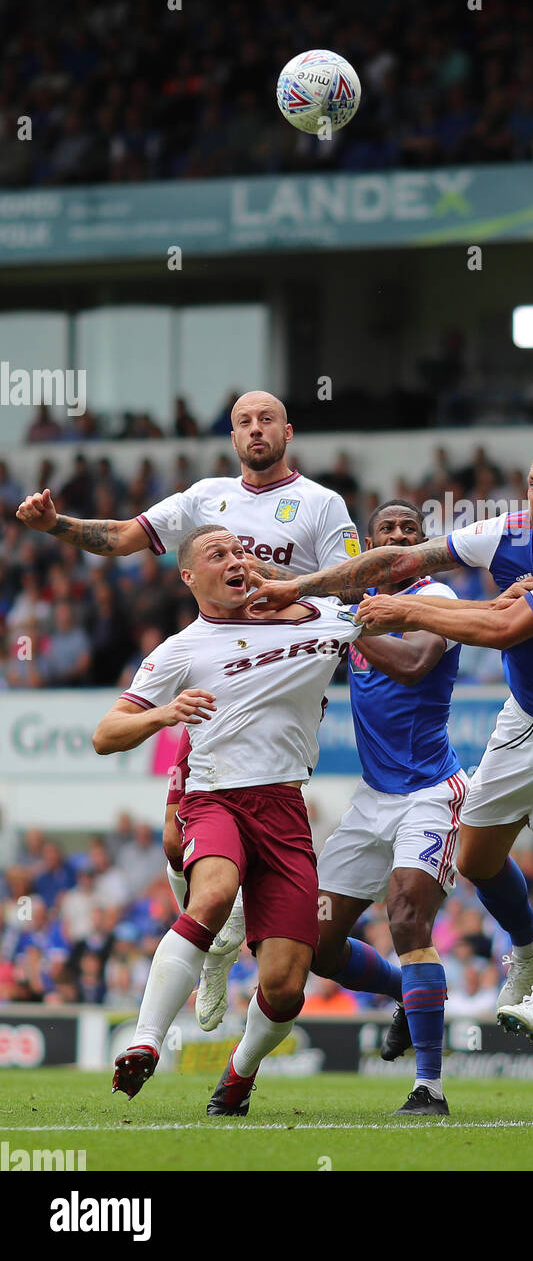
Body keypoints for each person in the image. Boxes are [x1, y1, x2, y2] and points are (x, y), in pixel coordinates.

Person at [247, 443, 533, 1048]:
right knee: (478, 862)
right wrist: (298, 584)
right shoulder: (501, 533)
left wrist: (401, 608)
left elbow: (503, 630)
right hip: (523, 719)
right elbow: (398, 563)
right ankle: (528, 949)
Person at [16, 390, 360, 1030]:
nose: (255, 431)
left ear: (288, 429)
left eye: (266, 420)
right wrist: (55, 527)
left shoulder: (321, 504)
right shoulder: (206, 498)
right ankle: (211, 955)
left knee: (228, 862)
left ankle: (227, 946)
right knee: (177, 838)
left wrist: (283, 593)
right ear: (232, 436)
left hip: (279, 675)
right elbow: (122, 536)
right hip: (210, 681)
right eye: (242, 422)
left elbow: (349, 586)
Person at [96, 524, 363, 1113]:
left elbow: (390, 606)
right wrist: (164, 713)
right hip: (215, 797)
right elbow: (105, 734)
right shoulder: (181, 650)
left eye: (242, 551)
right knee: (212, 894)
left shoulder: (317, 613)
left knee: (286, 987)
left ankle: (239, 1072)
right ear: (190, 577)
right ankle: (146, 1041)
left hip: (286, 808)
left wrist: (489, 608)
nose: (238, 560)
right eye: (219, 554)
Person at [310, 500, 470, 1116]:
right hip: (370, 798)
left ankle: (428, 1087)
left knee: (406, 920)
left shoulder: (439, 601)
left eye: (410, 528)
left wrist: (349, 622)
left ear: (421, 542)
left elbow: (413, 663)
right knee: (317, 944)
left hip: (431, 791)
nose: (400, 535)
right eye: (388, 530)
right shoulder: (355, 602)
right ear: (368, 545)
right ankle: (407, 993)